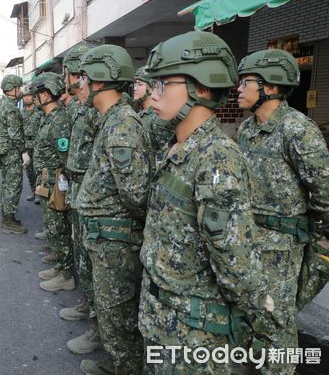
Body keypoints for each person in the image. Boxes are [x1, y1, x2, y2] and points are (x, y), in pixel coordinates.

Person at [138, 31, 273, 374]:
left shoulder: (216, 158)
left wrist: (257, 311)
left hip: (194, 335)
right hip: (162, 320)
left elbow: (233, 260)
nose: (153, 95)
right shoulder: (178, 145)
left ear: (199, 88)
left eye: (162, 85)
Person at [236, 49, 329, 375]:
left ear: (271, 87)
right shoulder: (246, 129)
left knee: (276, 320)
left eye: (246, 82)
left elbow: (325, 191)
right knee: (249, 312)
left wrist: (316, 239)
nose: (238, 89)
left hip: (282, 248)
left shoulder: (297, 130)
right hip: (247, 242)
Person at [72, 45, 151, 375]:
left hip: (115, 242)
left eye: (83, 78)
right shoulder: (111, 120)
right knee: (112, 315)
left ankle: (126, 369)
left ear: (100, 81)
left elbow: (136, 194)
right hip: (105, 238)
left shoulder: (121, 126)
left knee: (119, 319)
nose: (79, 85)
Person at [56, 44, 102, 357]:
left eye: (76, 75)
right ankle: (89, 309)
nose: (73, 81)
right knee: (84, 261)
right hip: (78, 189)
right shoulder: (81, 107)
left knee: (96, 269)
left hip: (95, 200)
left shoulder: (107, 113)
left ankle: (99, 329)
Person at [30, 72, 75, 293]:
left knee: (58, 227)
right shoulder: (50, 118)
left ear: (45, 95)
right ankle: (60, 265)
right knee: (53, 226)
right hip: (46, 180)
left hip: (55, 181)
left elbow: (64, 157)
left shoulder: (59, 120)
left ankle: (66, 275)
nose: (34, 99)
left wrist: (61, 185)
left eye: (36, 95)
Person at [0, 74, 27, 234]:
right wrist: (23, 152)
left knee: (7, 184)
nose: (20, 90)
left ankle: (7, 215)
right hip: (12, 151)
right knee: (13, 185)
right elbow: (16, 135)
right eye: (18, 88)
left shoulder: (4, 103)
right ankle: (8, 220)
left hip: (6, 150)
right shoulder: (11, 108)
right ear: (11, 89)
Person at [133, 66, 173, 162]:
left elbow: (165, 152)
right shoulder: (140, 114)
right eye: (134, 84)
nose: (135, 88)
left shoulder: (158, 117)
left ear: (151, 89)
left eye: (139, 84)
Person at [21, 85, 41, 202]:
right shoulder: (21, 113)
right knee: (29, 171)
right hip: (26, 144)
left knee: (38, 169)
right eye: (25, 96)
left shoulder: (39, 111)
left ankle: (39, 194)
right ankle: (33, 192)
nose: (27, 98)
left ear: (33, 97)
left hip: (37, 143)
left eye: (29, 96)